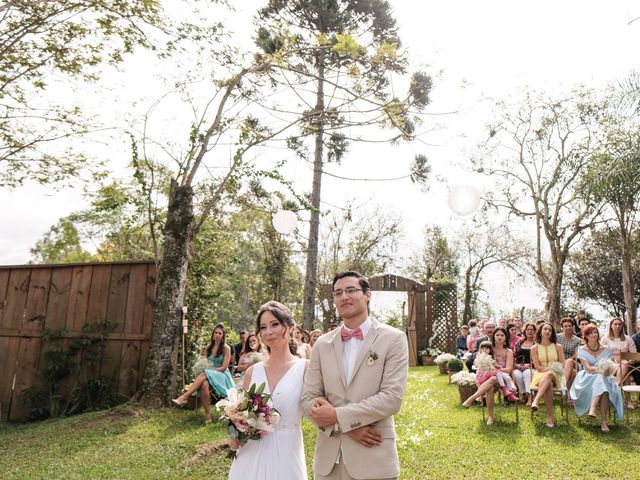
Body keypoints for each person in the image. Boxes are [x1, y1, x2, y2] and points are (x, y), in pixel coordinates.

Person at [301, 271, 408, 480]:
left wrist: (338, 416)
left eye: (351, 290)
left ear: (368, 295)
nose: (344, 297)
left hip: (373, 459)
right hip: (328, 465)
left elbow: (391, 398)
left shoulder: (393, 339)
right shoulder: (322, 344)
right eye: (338, 293)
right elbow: (307, 399)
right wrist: (345, 427)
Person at [227, 301, 308, 480]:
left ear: (290, 327)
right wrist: (235, 432)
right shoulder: (252, 372)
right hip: (250, 455)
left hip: (287, 453)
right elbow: (240, 413)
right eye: (263, 327)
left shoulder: (305, 369)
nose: (269, 331)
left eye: (275, 324)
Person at [172, 323, 234, 423]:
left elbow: (224, 367)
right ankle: (207, 415)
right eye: (216, 332)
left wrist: (210, 372)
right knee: (204, 385)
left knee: (205, 372)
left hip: (222, 375)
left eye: (220, 333)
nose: (217, 335)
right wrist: (205, 371)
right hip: (208, 374)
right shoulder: (208, 348)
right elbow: (204, 364)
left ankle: (184, 397)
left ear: (223, 335)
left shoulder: (226, 348)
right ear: (213, 334)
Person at [570, 324, 623, 432]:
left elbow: (608, 368)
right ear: (586, 336)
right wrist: (601, 372)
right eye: (591, 333)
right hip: (587, 378)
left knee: (602, 384)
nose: (594, 334)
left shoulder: (606, 349)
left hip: (605, 377)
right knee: (601, 381)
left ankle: (594, 410)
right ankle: (603, 421)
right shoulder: (581, 349)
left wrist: (605, 371)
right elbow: (588, 369)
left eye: (595, 332)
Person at [530, 322, 565, 428]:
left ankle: (536, 400)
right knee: (548, 384)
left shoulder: (558, 347)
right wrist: (547, 369)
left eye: (550, 330)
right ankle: (550, 417)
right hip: (540, 374)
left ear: (552, 333)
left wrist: (553, 369)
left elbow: (562, 363)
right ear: (540, 332)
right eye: (545, 329)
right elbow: (537, 366)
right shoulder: (534, 348)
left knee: (550, 374)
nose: (547, 331)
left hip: (556, 374)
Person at [602, 317, 637, 409]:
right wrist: (615, 358)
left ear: (622, 326)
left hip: (623, 364)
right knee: (626, 375)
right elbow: (601, 354)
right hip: (609, 364)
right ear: (611, 326)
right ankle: (628, 400)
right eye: (615, 324)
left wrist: (626, 358)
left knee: (625, 364)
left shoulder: (628, 339)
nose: (617, 326)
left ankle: (615, 387)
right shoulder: (605, 339)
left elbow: (635, 355)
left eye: (619, 324)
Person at [557, 317, 581, 405]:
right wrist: (563, 361)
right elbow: (555, 351)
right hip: (559, 362)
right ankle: (568, 396)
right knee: (573, 373)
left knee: (570, 363)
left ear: (573, 327)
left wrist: (567, 361)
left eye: (570, 326)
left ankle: (562, 386)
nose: (568, 328)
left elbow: (576, 354)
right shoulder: (557, 337)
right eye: (565, 326)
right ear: (562, 327)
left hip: (573, 362)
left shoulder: (578, 340)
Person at [513, 322, 536, 406]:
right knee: (516, 374)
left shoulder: (537, 343)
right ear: (525, 331)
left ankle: (530, 396)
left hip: (532, 367)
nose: (530, 331)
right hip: (519, 366)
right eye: (528, 330)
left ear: (535, 331)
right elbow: (514, 355)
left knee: (527, 374)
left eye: (532, 330)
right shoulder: (520, 342)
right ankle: (523, 395)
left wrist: (530, 365)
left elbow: (539, 358)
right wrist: (516, 365)